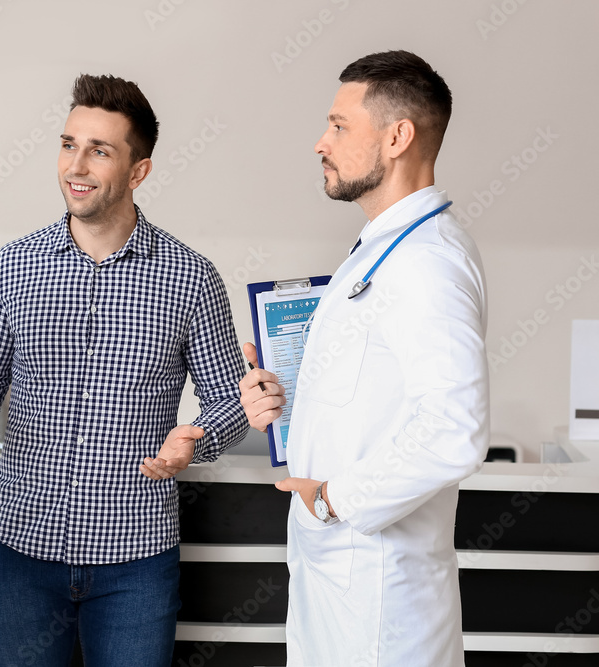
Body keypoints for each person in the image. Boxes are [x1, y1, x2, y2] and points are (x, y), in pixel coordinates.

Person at [0, 74, 248, 666]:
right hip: (20, 557)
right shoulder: (14, 268)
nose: (75, 165)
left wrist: (199, 439)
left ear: (139, 172)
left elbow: (230, 403)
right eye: (67, 144)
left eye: (99, 150)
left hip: (135, 563)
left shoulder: (191, 278)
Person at [241, 50, 490, 665]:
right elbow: (369, 398)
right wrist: (284, 396)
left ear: (398, 137)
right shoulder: (379, 252)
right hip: (340, 583)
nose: (320, 143)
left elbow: (453, 430)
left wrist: (334, 501)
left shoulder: (428, 263)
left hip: (382, 595)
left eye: (339, 126)